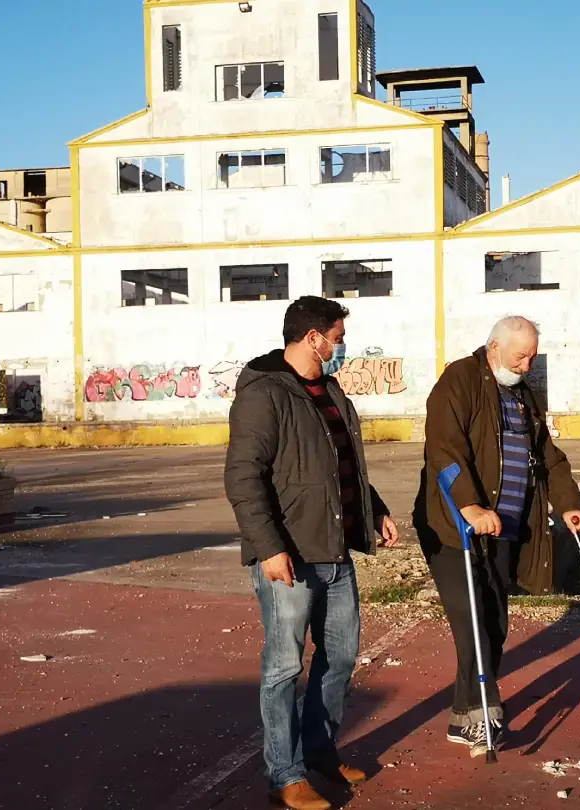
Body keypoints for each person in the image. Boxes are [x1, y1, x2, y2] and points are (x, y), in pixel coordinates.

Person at [225, 295, 400, 810]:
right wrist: (268, 547)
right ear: (312, 337)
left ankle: (320, 751)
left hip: (334, 552)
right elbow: (243, 476)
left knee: (340, 657)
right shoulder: (265, 394)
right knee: (283, 667)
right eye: (337, 338)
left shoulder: (329, 389)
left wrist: (376, 509)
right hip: (289, 556)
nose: (341, 348)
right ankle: (285, 773)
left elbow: (340, 465)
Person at [412, 315, 580, 757]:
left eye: (531, 356)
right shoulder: (461, 379)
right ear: (494, 347)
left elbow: (546, 454)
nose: (528, 364)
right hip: (454, 528)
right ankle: (483, 718)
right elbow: (444, 448)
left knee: (494, 625)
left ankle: (461, 719)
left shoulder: (523, 394)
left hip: (505, 528)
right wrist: (470, 505)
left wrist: (567, 503)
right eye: (520, 356)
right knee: (472, 624)